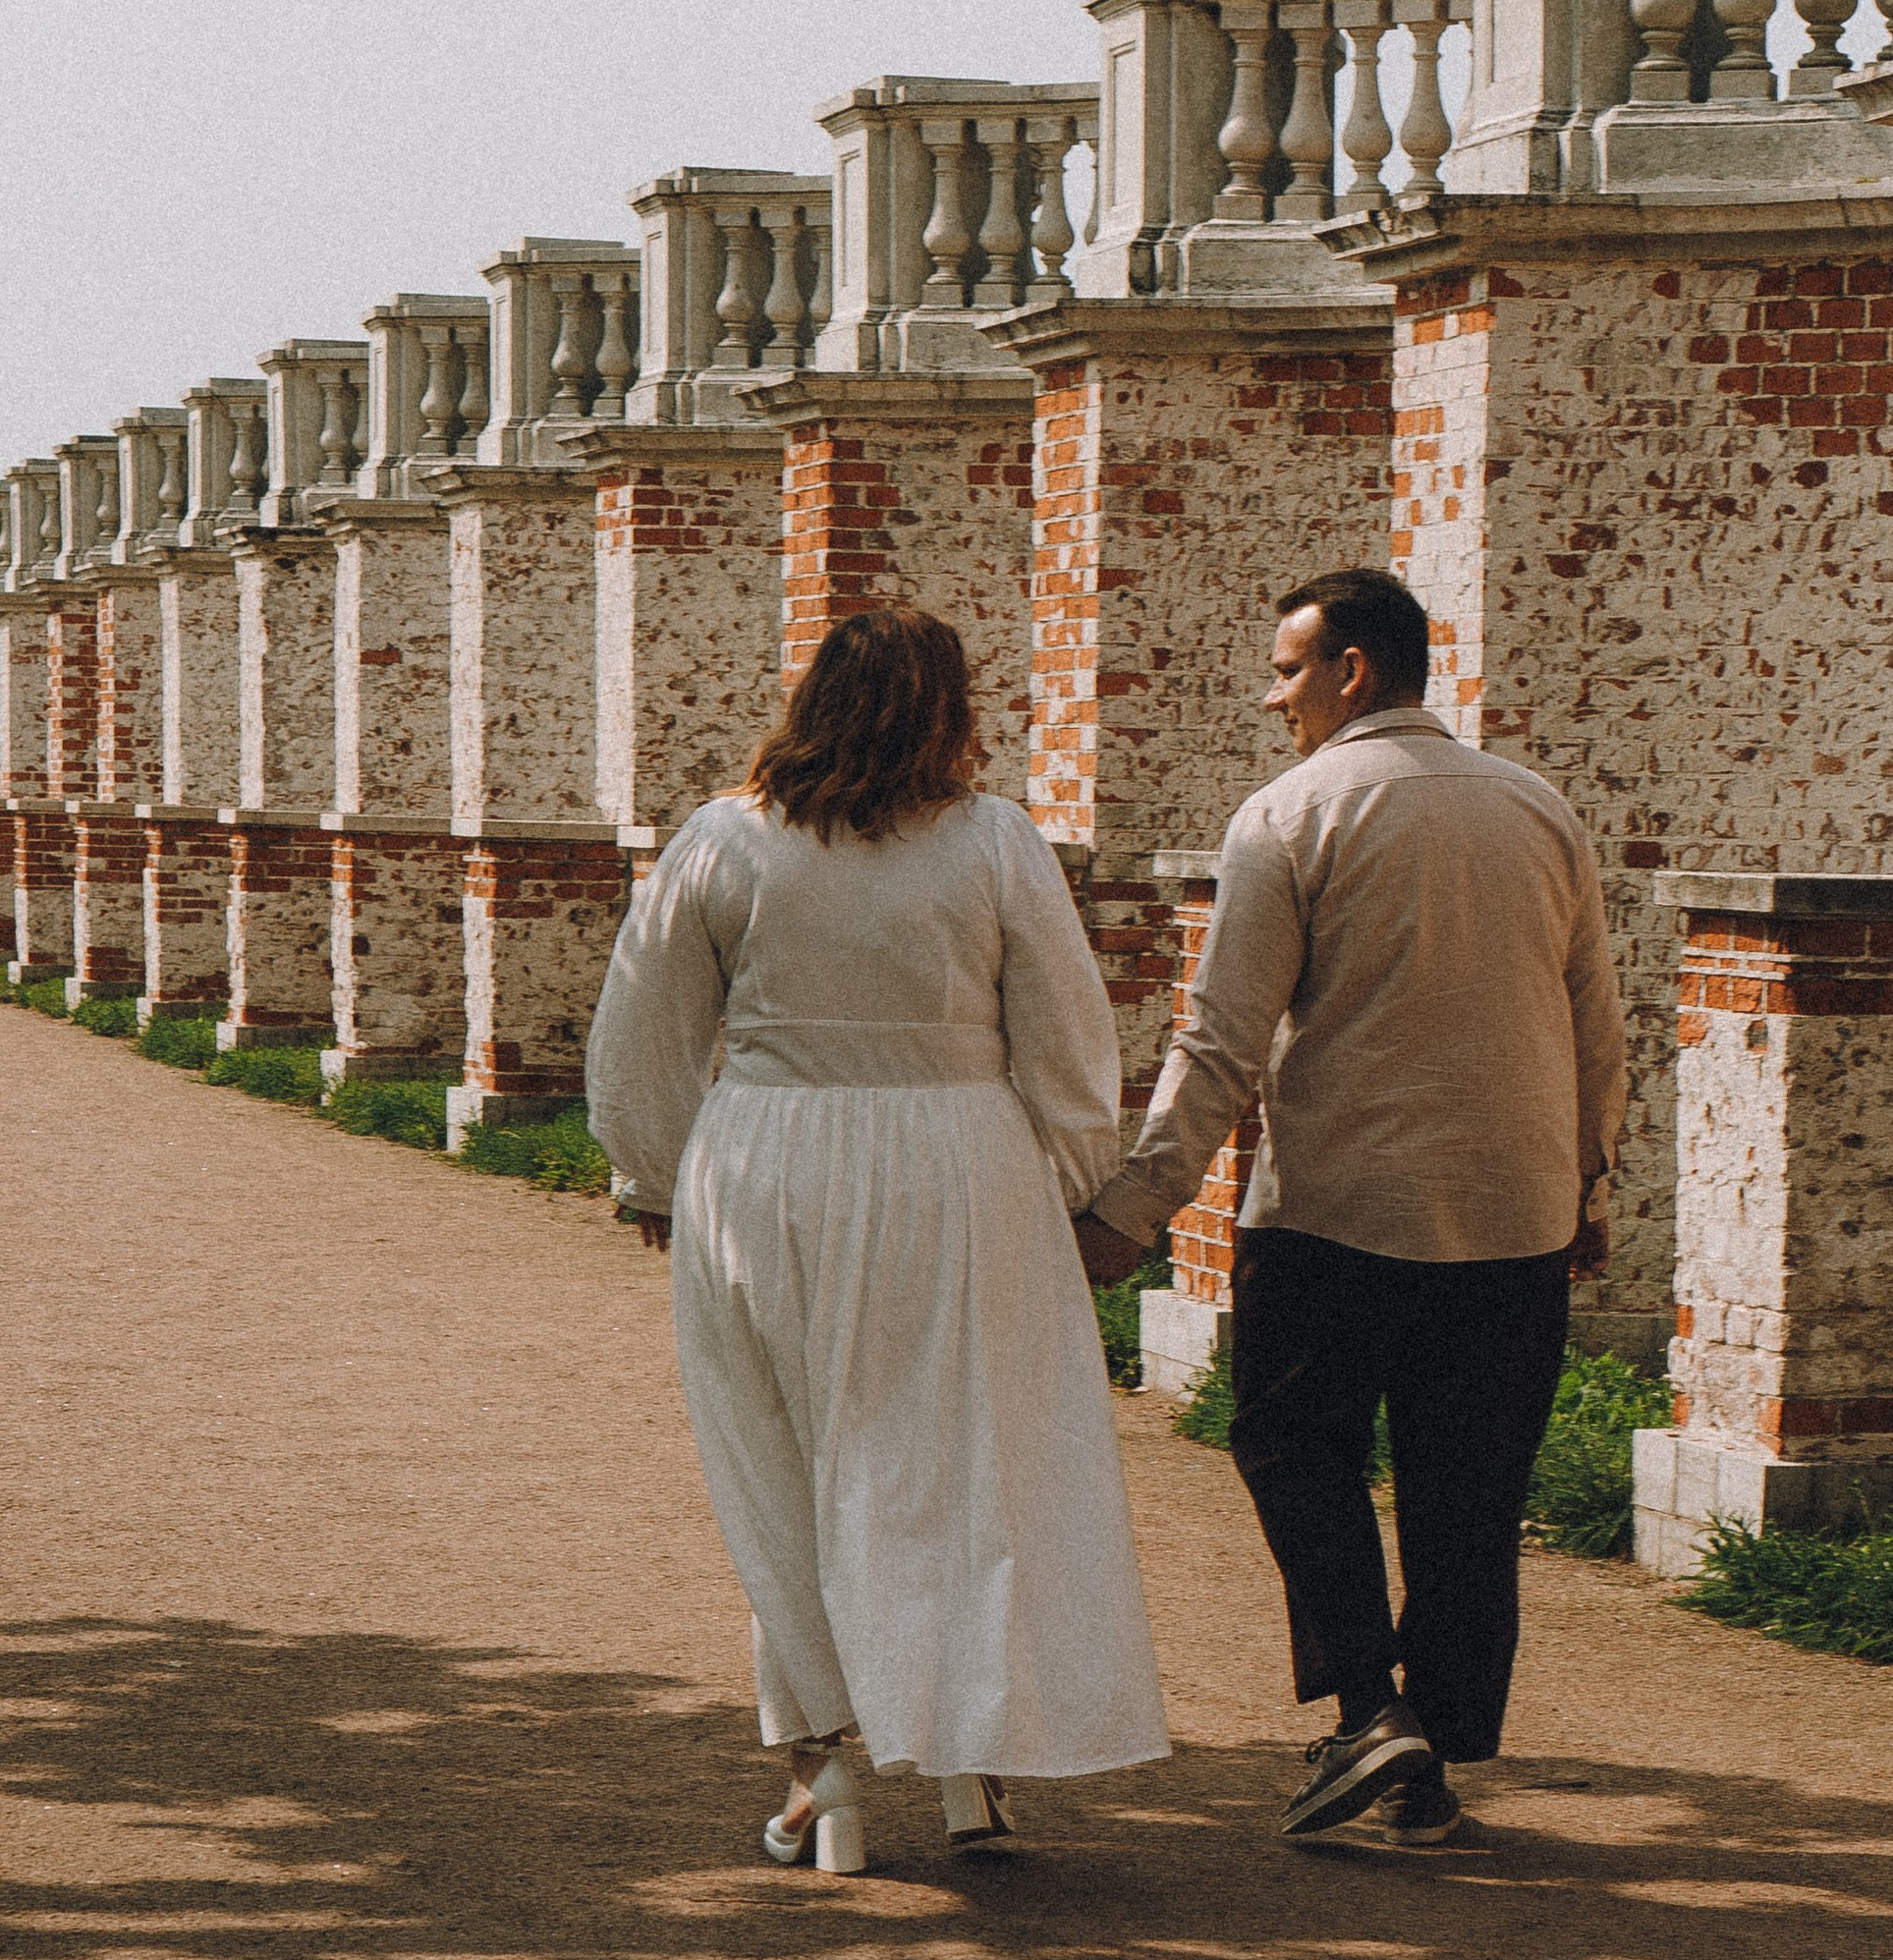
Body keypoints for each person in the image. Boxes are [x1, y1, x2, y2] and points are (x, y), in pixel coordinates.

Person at [585, 604, 1170, 1875]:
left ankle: (828, 1767)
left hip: (770, 1162)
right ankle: (973, 1762)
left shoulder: (723, 842)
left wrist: (657, 1174)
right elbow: (1072, 1042)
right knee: (965, 1462)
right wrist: (1074, 1182)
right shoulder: (997, 844)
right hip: (962, 1172)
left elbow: (640, 1029)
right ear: (950, 711)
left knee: (783, 1463)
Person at [1073, 567, 1626, 1852]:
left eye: (1287, 670)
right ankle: (1426, 1749)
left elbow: (1219, 1041)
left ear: (1351, 671)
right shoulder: (1540, 811)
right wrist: (1590, 1176)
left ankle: (1373, 1708)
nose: (1276, 699)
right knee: (1469, 1491)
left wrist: (1136, 1210)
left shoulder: (1289, 816)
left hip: (1337, 1210)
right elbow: (1599, 1021)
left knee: (1289, 1444)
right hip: (1513, 1216)